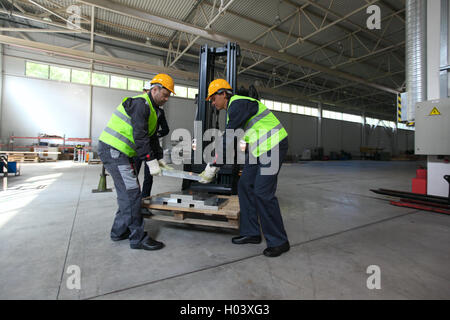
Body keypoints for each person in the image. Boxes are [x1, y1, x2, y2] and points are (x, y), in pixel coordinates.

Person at [199, 79, 290, 258]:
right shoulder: (235, 108)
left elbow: (229, 137)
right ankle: (251, 233)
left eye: (213, 98)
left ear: (223, 94)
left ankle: (279, 241)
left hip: (273, 145)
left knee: (263, 193)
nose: (212, 102)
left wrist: (214, 165)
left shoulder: (238, 103)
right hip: (258, 149)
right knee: (244, 185)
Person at [97, 74, 175, 251]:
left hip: (122, 153)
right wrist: (150, 161)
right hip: (114, 150)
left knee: (129, 193)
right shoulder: (141, 104)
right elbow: (140, 137)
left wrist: (160, 158)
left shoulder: (154, 111)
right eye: (165, 94)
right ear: (154, 89)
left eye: (169, 95)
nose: (166, 98)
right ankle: (137, 238)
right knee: (132, 193)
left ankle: (119, 231)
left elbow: (152, 138)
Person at [134, 81, 171, 207]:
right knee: (133, 175)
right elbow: (139, 134)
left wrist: (156, 136)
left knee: (149, 176)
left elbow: (165, 129)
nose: (146, 94)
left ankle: (145, 200)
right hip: (138, 147)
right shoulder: (140, 105)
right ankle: (135, 201)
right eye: (145, 92)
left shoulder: (159, 112)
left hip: (149, 147)